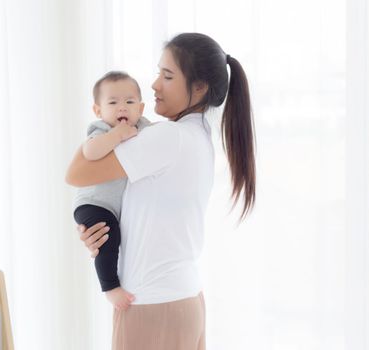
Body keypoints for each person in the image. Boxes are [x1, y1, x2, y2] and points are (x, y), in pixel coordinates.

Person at [66, 32, 256, 350]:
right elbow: (146, 211)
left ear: (200, 88)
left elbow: (76, 173)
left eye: (167, 76)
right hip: (184, 300)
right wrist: (101, 230)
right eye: (158, 73)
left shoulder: (168, 137)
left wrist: (100, 126)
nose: (154, 85)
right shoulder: (197, 136)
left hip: (152, 305)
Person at [72, 71, 150, 310]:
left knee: (113, 235)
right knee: (107, 236)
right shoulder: (101, 130)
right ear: (98, 111)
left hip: (114, 206)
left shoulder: (145, 128)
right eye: (113, 103)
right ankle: (110, 287)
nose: (122, 108)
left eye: (129, 102)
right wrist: (116, 135)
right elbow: (90, 153)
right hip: (94, 203)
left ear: (141, 107)